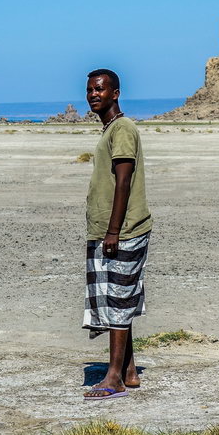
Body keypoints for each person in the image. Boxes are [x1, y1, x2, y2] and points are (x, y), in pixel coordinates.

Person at [82, 68, 153, 400]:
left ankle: (114, 379)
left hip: (122, 232)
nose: (94, 94)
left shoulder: (122, 129)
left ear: (115, 93)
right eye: (90, 90)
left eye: (100, 89)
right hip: (108, 231)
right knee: (119, 299)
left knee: (117, 301)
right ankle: (128, 370)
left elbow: (123, 182)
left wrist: (113, 232)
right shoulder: (111, 130)